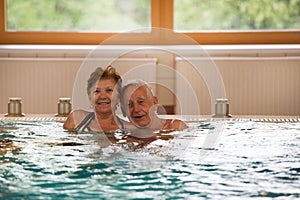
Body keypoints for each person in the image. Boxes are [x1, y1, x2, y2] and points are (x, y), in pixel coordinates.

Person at [63, 66, 128, 133]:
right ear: (90, 97)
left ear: (118, 97)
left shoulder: (129, 129)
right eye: (97, 91)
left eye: (109, 90)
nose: (103, 96)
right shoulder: (76, 120)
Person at [120, 79, 188, 132]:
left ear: (155, 102)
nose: (136, 109)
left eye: (141, 102)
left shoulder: (175, 127)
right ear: (123, 111)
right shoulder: (125, 135)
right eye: (129, 104)